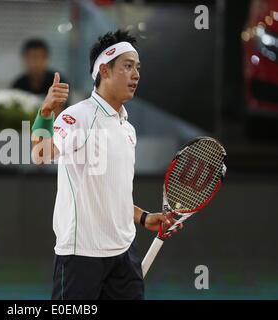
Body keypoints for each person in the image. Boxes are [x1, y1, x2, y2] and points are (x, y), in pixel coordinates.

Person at [30, 30, 183, 300]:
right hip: (81, 257)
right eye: (127, 66)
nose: (136, 74)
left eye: (137, 67)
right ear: (104, 70)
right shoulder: (78, 117)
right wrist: (44, 114)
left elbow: (114, 194)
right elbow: (40, 155)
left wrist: (144, 217)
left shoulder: (128, 129)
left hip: (125, 254)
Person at [12, 39, 68, 114]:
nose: (35, 62)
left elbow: (63, 112)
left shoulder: (57, 81)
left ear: (46, 58)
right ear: (24, 59)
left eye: (38, 57)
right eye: (31, 57)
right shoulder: (18, 85)